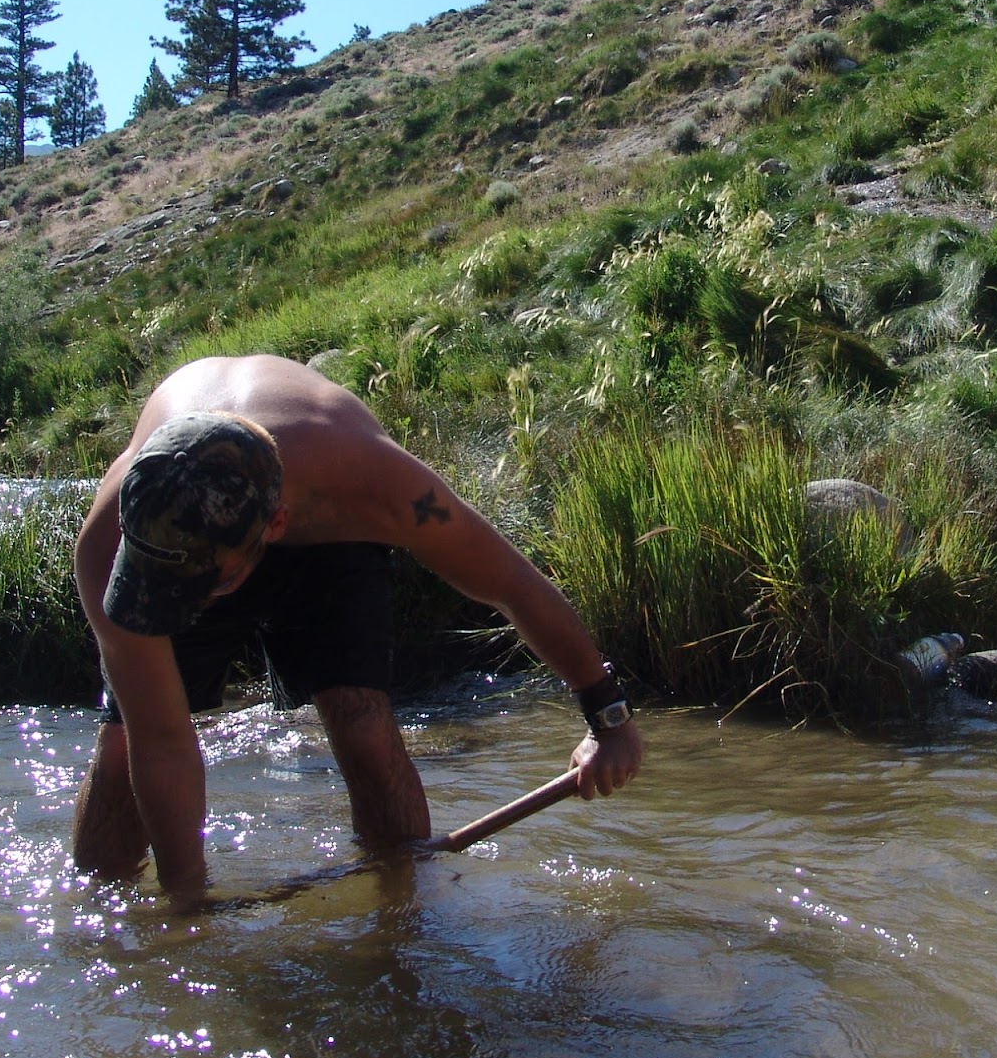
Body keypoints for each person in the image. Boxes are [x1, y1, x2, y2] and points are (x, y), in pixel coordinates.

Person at [70, 354, 644, 909]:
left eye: (201, 587)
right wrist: (187, 899)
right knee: (123, 751)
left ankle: (403, 920)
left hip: (329, 537)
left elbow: (512, 584)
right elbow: (162, 742)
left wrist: (607, 716)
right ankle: (101, 924)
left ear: (277, 526)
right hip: (188, 540)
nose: (184, 605)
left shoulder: (375, 483)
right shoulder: (110, 547)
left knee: (364, 729)